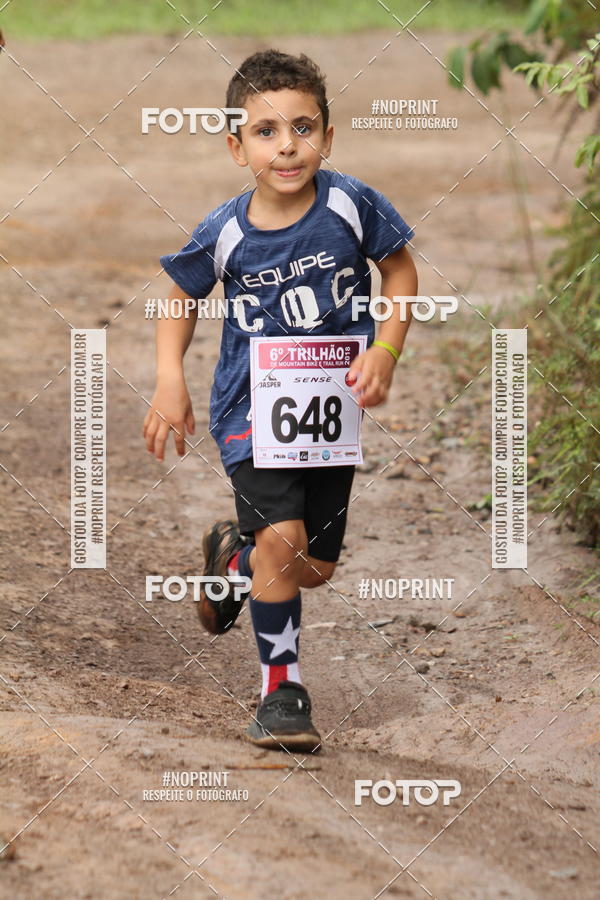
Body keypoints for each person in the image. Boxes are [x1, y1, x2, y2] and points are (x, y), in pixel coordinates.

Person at [144, 49, 418, 753]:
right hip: (249, 412)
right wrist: (170, 378)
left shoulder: (351, 205)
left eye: (303, 128)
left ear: (328, 135)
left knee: (311, 567)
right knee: (283, 540)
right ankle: (281, 693)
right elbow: (179, 298)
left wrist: (385, 351)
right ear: (237, 148)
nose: (287, 146)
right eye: (265, 132)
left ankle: (234, 566)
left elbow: (400, 272)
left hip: (330, 412)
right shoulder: (226, 230)